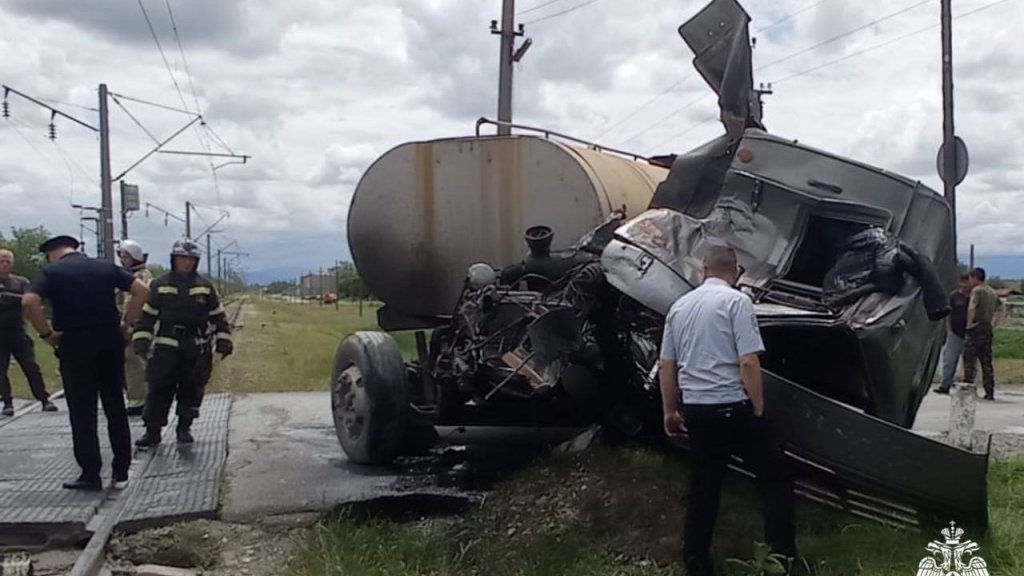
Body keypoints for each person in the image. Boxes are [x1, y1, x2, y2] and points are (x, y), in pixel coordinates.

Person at [659, 245, 796, 576]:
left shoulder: (679, 307)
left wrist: (670, 411)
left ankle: (696, 562)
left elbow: (666, 365)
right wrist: (758, 406)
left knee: (704, 486)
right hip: (732, 407)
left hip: (696, 411)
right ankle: (783, 558)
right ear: (736, 273)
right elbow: (748, 361)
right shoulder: (737, 302)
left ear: (703, 271)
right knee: (775, 477)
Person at [22, 235, 150, 490]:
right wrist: (126, 324)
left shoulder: (52, 272)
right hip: (109, 343)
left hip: (75, 346)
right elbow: (142, 291)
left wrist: (47, 334)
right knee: (115, 405)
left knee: (82, 411)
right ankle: (121, 470)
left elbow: (29, 302)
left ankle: (91, 474)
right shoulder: (104, 267)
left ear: (51, 254)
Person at [132, 238, 233, 448]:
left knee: (192, 390)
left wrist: (223, 340)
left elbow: (218, 315)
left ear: (196, 261)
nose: (186, 263)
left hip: (196, 349)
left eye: (190, 259)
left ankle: (184, 428)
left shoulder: (204, 286)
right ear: (174, 259)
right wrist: (141, 341)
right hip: (166, 349)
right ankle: (152, 431)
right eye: (182, 258)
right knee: (159, 389)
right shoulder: (160, 285)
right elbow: (147, 316)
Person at [0, 249, 57, 416]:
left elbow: (30, 300)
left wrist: (7, 297)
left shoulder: (21, 282)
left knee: (31, 367)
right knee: (1, 371)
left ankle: (44, 399)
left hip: (18, 331)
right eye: (1, 261)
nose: (5, 265)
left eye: (8, 262)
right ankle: (7, 403)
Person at [118, 239, 154, 415]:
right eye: (121, 257)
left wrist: (128, 325)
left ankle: (138, 401)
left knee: (133, 360)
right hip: (135, 324)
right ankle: (139, 397)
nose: (122, 260)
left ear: (135, 257)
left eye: (126, 257)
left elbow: (136, 303)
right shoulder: (134, 275)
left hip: (137, 325)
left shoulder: (140, 277)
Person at [962, 267, 998, 400]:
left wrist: (969, 323)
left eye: (971, 278)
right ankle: (989, 391)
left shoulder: (977, 290)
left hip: (976, 327)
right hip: (987, 327)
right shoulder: (992, 292)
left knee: (969, 360)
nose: (970, 281)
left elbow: (972, 306)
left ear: (975, 278)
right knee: (986, 361)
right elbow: (1001, 307)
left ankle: (968, 389)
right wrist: (994, 322)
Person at [934, 274, 972, 394]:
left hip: (970, 333)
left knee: (970, 361)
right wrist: (948, 329)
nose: (965, 285)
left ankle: (968, 385)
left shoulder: (975, 295)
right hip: (955, 332)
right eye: (963, 283)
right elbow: (948, 313)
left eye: (967, 283)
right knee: (949, 359)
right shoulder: (954, 296)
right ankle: (945, 385)